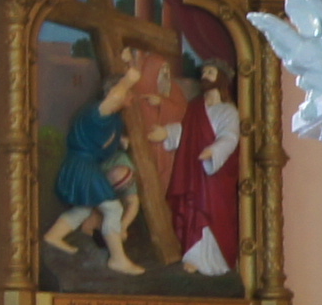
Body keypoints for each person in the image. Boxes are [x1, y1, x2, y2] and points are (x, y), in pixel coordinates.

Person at [40, 49, 151, 276]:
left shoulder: (113, 120)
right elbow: (115, 98)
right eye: (127, 92)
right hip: (82, 166)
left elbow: (105, 142)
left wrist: (122, 142)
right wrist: (128, 79)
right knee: (113, 208)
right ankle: (118, 259)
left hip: (86, 166)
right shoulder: (97, 112)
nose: (130, 96)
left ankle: (54, 236)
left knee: (84, 208)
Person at [161, 54, 245, 279]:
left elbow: (230, 137)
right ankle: (194, 257)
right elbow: (186, 131)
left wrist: (213, 151)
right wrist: (167, 132)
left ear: (221, 78)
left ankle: (216, 262)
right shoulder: (195, 107)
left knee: (211, 212)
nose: (205, 76)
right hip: (194, 170)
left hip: (215, 174)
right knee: (193, 209)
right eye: (204, 73)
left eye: (210, 72)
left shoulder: (228, 111)